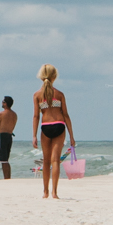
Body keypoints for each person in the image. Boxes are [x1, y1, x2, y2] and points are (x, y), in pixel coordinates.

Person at [31, 66, 73, 199]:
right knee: (55, 161)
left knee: (46, 161)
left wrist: (34, 135)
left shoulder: (37, 95)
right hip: (59, 125)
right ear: (54, 77)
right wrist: (72, 135)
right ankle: (54, 192)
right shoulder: (59, 94)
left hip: (46, 127)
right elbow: (65, 115)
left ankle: (45, 192)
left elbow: (36, 116)